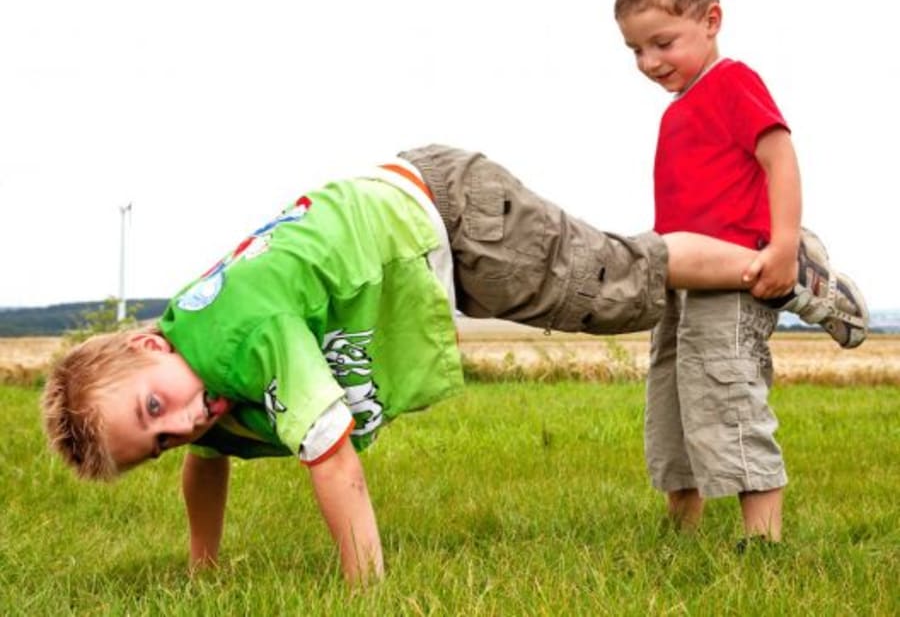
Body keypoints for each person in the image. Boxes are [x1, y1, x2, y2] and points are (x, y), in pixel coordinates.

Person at [41, 145, 866, 583]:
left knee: (618, 284)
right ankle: (752, 266)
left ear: (149, 347)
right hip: (428, 236)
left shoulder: (238, 331)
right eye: (158, 442)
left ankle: (784, 265)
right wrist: (203, 567)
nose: (181, 425)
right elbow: (208, 462)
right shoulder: (195, 350)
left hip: (454, 215)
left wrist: (364, 589)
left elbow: (331, 457)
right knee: (622, 286)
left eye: (155, 408)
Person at [614, 0, 867, 547]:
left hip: (738, 277)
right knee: (673, 397)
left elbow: (779, 157)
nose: (649, 62)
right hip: (685, 282)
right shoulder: (679, 110)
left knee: (727, 393)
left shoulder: (733, 83)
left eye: (663, 42)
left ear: (711, 20)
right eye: (636, 50)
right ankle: (681, 529)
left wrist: (781, 247)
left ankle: (763, 543)